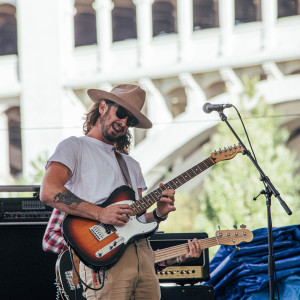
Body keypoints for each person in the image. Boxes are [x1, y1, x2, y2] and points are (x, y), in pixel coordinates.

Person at [40, 84, 202, 300]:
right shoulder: (74, 147)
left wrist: (158, 214)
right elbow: (49, 191)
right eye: (122, 113)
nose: (124, 123)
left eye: (131, 121)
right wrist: (100, 214)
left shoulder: (131, 165)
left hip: (142, 256)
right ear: (103, 106)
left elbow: (135, 219)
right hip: (105, 259)